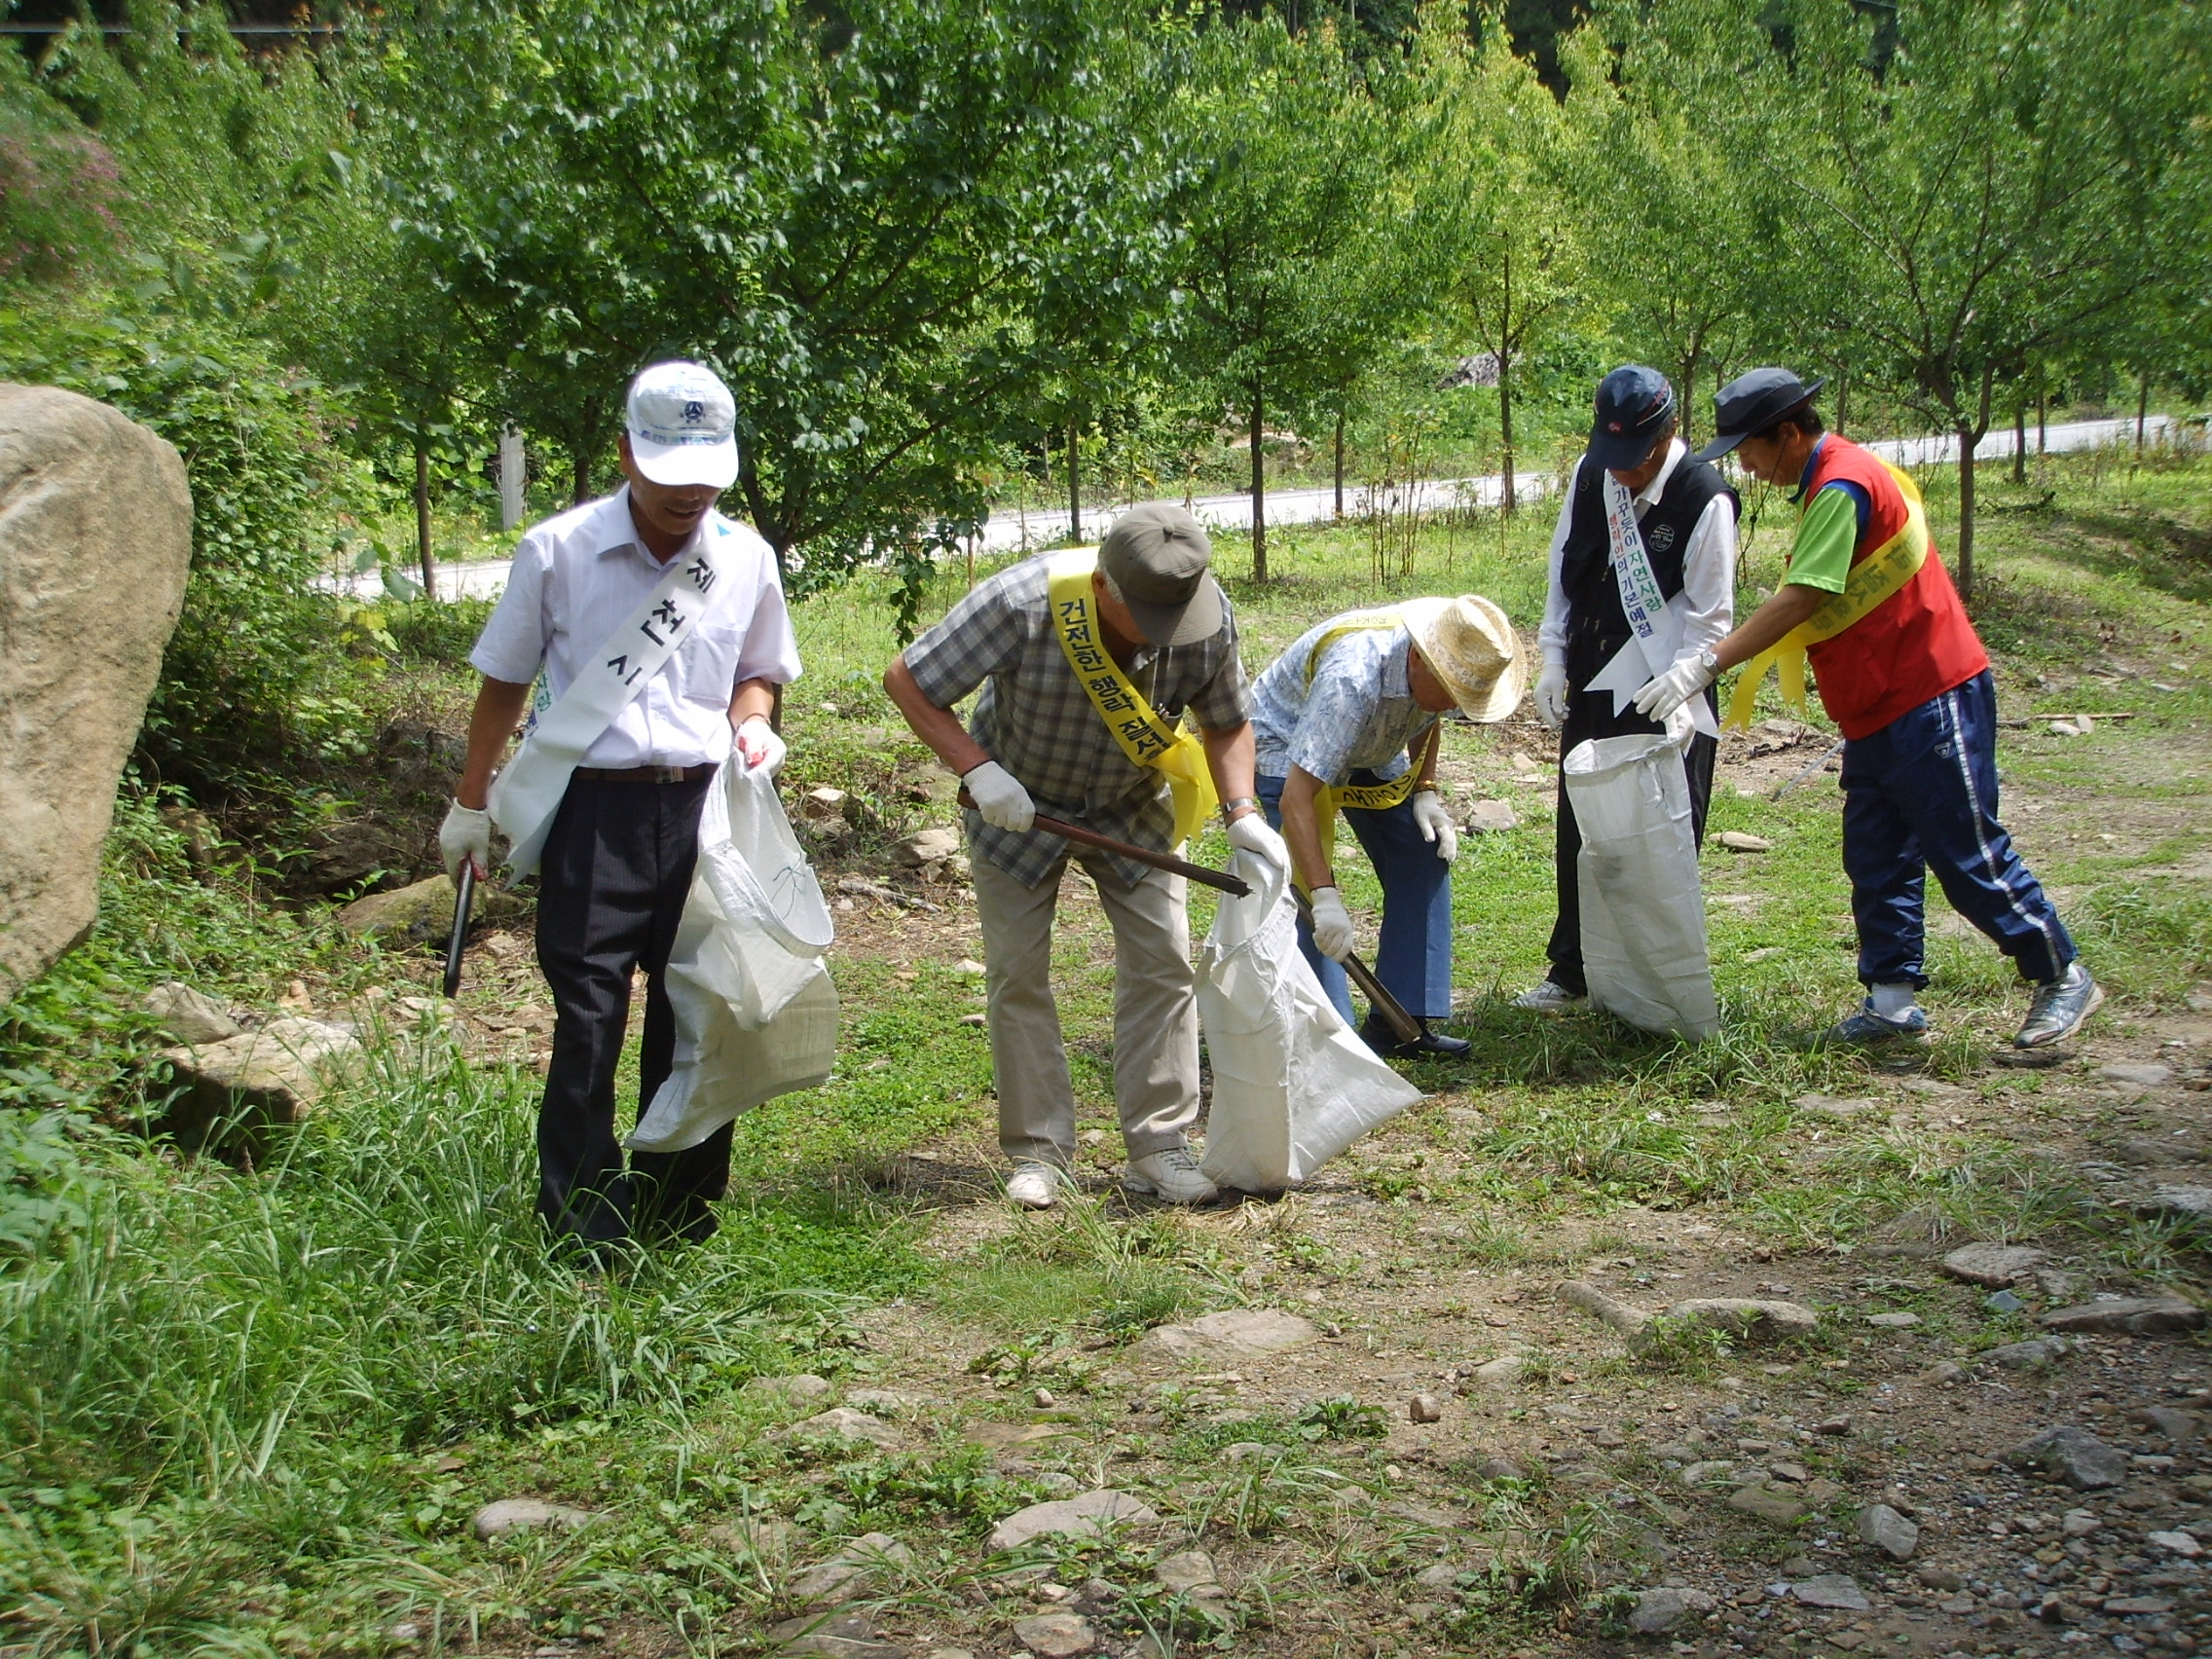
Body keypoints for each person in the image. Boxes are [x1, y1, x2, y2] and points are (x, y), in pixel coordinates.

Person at [440, 361, 801, 1252]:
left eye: (706, 476)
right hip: (591, 814)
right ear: (625, 455)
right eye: (670, 475)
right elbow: (503, 682)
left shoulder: (745, 557)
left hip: (704, 815)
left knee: (699, 1010)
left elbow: (757, 670)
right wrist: (470, 801)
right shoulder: (557, 552)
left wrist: (754, 725)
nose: (690, 496)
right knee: (590, 1016)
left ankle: (679, 1211)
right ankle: (581, 1222)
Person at [1635, 367, 2101, 1050]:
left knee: (1964, 850)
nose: (1747, 465)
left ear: (1788, 434)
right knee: (1877, 855)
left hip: (1928, 695)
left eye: (1749, 449)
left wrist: (1706, 664)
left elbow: (1802, 598)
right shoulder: (1830, 481)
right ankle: (1891, 1002)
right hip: (1877, 709)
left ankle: (2061, 971)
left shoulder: (1843, 485)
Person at [883, 504, 1288, 1210]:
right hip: (1017, 802)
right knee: (1017, 973)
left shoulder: (1207, 614)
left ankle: (1159, 1144)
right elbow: (908, 681)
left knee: (1163, 963)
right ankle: (1039, 1152)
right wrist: (978, 770)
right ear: (1103, 586)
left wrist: (1243, 811)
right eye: (1149, 617)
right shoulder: (1019, 603)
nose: (1166, 636)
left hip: (1133, 805)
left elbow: (1226, 722)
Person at [1515, 366, 1740, 1014]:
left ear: (1670, 433)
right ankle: (1574, 969)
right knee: (1584, 822)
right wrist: (1553, 658)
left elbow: (1710, 619)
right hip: (1593, 672)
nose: (1623, 473)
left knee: (1656, 832)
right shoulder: (1595, 476)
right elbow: (1566, 567)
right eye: (1613, 457)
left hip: (1667, 687)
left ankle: (1651, 982)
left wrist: (1687, 682)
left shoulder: (1705, 500)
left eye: (1636, 459)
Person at [1252, 595, 1526, 1058]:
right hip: (1289, 743)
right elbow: (1299, 800)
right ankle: (1331, 1041)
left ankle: (1401, 1024)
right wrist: (1325, 896)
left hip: (1375, 744)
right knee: (1309, 898)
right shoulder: (1350, 679)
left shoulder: (1451, 649)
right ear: (1418, 658)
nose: (1454, 706)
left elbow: (1428, 713)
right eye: (1451, 692)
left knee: (1422, 856)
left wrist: (1426, 789)